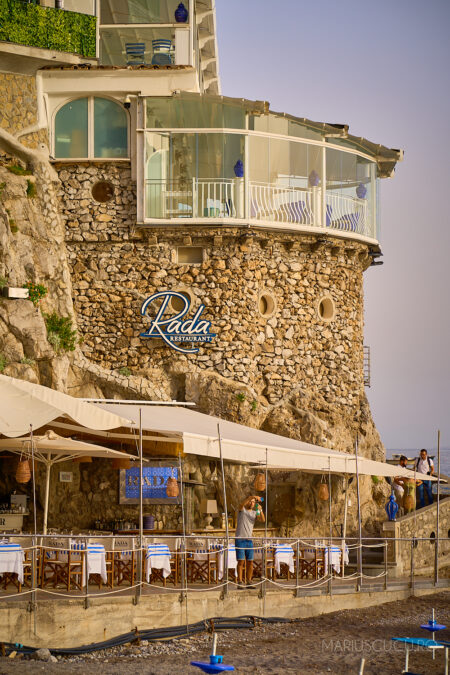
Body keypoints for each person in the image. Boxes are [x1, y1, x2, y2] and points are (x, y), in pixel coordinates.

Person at [235, 494, 265, 588]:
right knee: (241, 562)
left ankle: (249, 581)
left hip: (249, 540)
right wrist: (252, 497)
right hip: (240, 539)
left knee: (250, 562)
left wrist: (260, 509)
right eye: (251, 502)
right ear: (248, 501)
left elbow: (262, 520)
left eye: (253, 502)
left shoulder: (254, 512)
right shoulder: (242, 510)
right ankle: (239, 581)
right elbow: (241, 505)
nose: (252, 503)